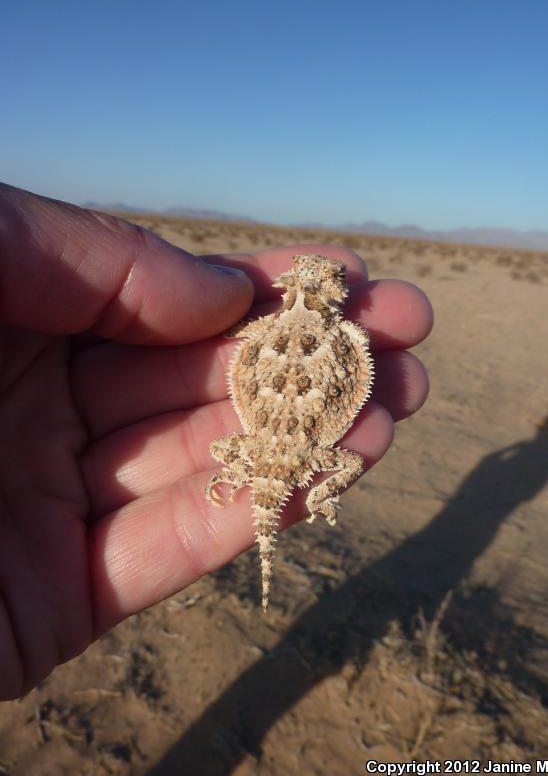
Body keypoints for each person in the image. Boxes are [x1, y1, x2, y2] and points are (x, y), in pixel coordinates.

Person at [0, 183, 433, 700]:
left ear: (289, 285)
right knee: (334, 463)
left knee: (240, 460)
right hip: (297, 444)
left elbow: (244, 344)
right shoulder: (349, 338)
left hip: (266, 441)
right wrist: (322, 487)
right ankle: (313, 499)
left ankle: (277, 497)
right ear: (334, 293)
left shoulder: (265, 328)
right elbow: (357, 376)